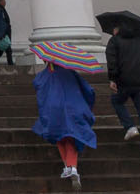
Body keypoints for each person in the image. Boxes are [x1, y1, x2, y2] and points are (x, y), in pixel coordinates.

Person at [32, 55, 97, 183]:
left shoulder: (43, 76)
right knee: (71, 137)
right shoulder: (70, 72)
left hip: (53, 111)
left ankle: (69, 166)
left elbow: (37, 85)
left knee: (59, 138)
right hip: (73, 109)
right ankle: (72, 167)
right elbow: (88, 89)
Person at [104, 21, 140, 161]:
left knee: (116, 101)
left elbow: (112, 61)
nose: (112, 30)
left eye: (114, 27)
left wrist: (112, 79)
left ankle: (130, 126)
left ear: (118, 28)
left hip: (124, 81)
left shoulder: (114, 41)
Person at [0, 0, 16, 69]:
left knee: (1, 50)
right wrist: (3, 33)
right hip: (3, 33)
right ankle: (11, 65)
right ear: (0, 1)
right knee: (7, 49)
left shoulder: (0, 9)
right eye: (4, 0)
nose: (5, 2)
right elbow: (2, 22)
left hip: (3, 33)